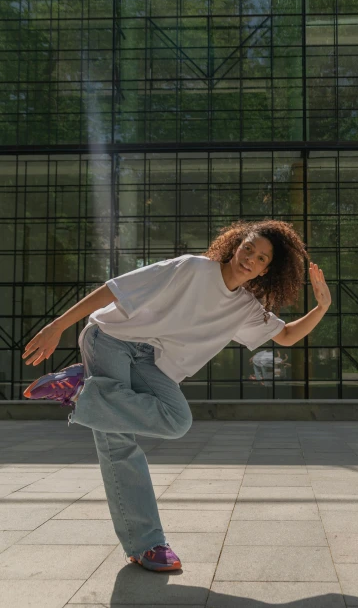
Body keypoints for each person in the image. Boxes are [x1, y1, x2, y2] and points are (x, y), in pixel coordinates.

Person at [22, 220, 331, 572]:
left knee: (177, 419)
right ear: (235, 246)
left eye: (261, 258)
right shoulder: (193, 268)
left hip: (147, 360)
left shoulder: (246, 306)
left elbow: (287, 335)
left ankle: (83, 392)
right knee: (118, 442)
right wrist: (57, 326)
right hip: (110, 338)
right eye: (248, 248)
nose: (251, 259)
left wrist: (320, 307)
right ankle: (148, 544)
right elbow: (115, 289)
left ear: (267, 269)